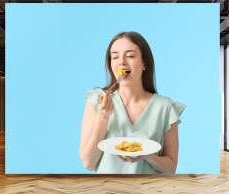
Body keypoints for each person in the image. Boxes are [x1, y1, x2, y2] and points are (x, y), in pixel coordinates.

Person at [79, 31, 185, 174]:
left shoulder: (165, 107)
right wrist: (102, 117)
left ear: (144, 64)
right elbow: (88, 163)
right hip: (106, 192)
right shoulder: (97, 101)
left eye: (130, 56)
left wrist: (147, 155)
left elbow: (171, 168)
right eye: (115, 57)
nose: (121, 62)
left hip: (148, 193)